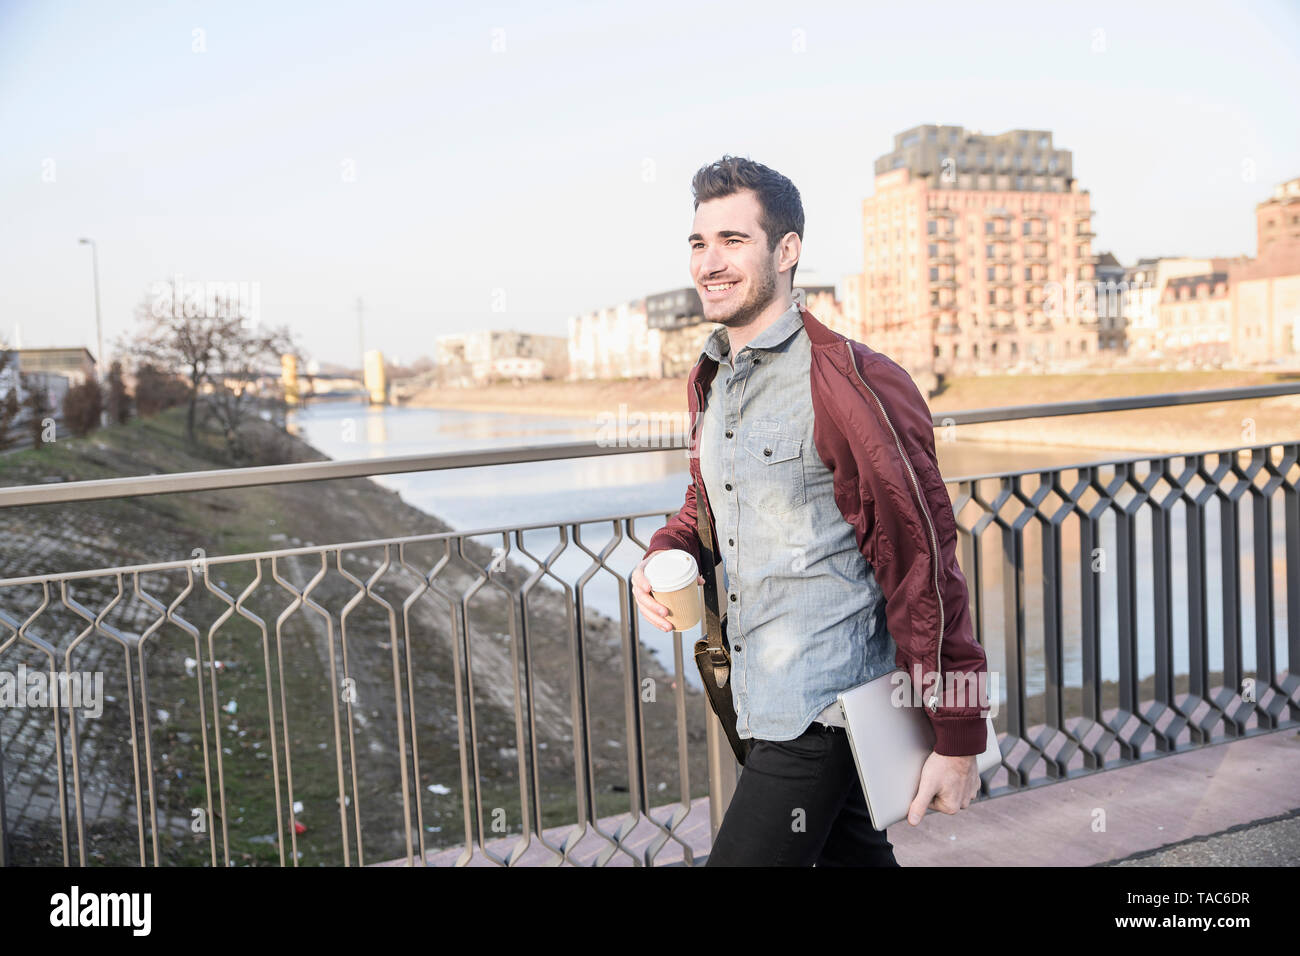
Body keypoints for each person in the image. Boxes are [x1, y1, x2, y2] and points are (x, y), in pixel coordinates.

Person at [631, 155, 989, 866]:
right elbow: (712, 500)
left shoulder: (853, 382)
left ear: (786, 251)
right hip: (758, 692)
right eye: (700, 243)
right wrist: (666, 551)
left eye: (734, 240)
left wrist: (959, 734)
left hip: (822, 708)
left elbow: (923, 561)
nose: (710, 262)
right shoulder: (715, 376)